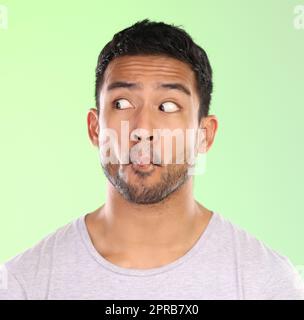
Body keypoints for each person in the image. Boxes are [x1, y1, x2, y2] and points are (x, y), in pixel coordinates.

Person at [1, 19, 303, 300]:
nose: (142, 129)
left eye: (168, 106)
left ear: (204, 135)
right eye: (122, 103)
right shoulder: (24, 284)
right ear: (95, 129)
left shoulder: (268, 283)